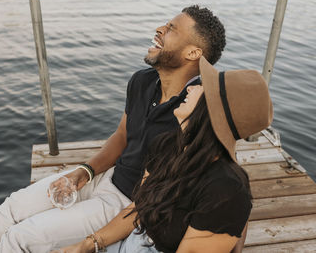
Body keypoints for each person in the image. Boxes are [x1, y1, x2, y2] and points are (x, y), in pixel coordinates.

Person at [0, 5, 226, 253]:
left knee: (24, 236)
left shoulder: (198, 108)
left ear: (193, 52)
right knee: (14, 206)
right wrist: (85, 172)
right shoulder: (142, 81)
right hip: (106, 178)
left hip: (129, 205)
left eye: (172, 28)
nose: (160, 28)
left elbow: (212, 179)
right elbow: (123, 137)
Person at [53, 56, 273, 253]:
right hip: (134, 242)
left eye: (203, 87)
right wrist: (89, 243)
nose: (191, 89)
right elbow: (139, 207)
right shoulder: (168, 144)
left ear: (214, 112)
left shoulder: (225, 190)